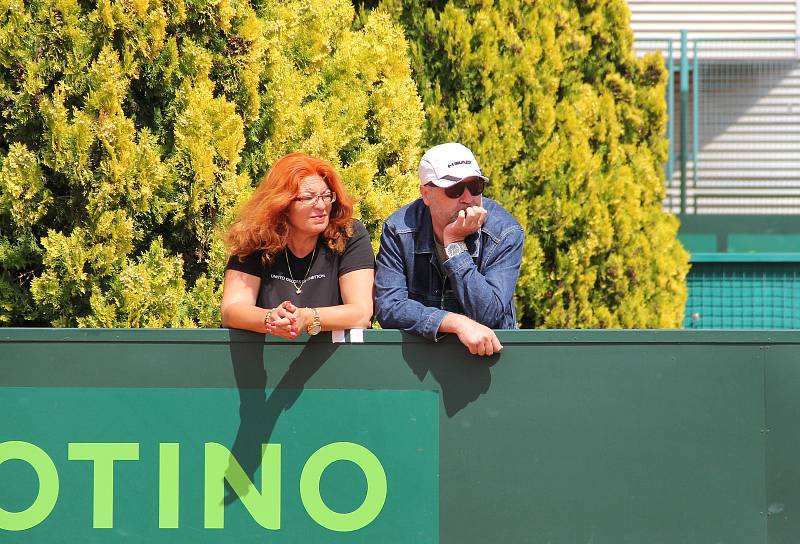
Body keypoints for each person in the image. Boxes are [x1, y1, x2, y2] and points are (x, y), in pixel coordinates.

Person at [375, 142, 524, 356]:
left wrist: (454, 244)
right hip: (423, 358)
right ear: (426, 194)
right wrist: (454, 323)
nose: (467, 198)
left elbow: (488, 314)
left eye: (475, 187)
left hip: (488, 358)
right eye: (454, 189)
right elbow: (389, 307)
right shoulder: (399, 230)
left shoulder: (505, 232)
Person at [221, 152, 374, 338]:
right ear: (282, 205)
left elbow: (362, 313)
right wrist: (270, 318)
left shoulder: (349, 234)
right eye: (308, 198)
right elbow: (231, 310)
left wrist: (309, 318)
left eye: (326, 196)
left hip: (336, 359)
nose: (321, 206)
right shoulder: (255, 237)